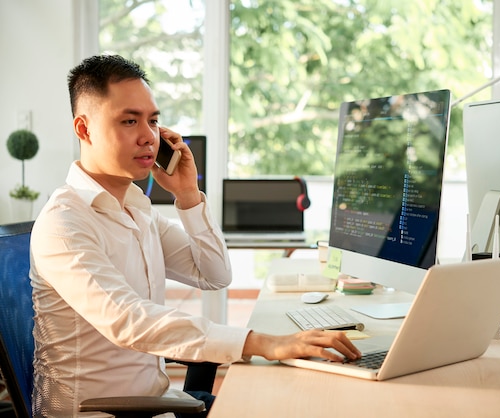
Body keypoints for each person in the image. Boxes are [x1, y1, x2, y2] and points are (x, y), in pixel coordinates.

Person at [30, 54, 361, 417]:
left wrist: (187, 196)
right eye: (129, 120)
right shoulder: (64, 224)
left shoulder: (137, 210)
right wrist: (264, 343)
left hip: (154, 403)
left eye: (153, 121)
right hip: (98, 413)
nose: (148, 137)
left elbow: (215, 274)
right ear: (84, 129)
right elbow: (129, 320)